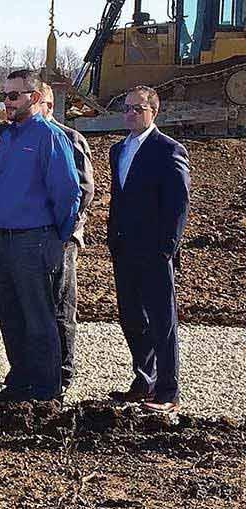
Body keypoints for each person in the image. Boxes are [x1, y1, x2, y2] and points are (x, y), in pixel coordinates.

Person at [0, 70, 80, 402]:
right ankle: (20, 383)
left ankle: (46, 393)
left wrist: (57, 237)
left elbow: (69, 193)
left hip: (36, 240)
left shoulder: (49, 136)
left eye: (14, 96)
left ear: (36, 98)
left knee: (39, 318)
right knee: (11, 316)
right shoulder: (9, 137)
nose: (7, 102)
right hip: (5, 240)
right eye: (5, 95)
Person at [107, 85, 190, 413]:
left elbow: (178, 204)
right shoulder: (118, 150)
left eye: (137, 109)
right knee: (131, 318)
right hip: (124, 249)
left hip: (155, 252)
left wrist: (167, 248)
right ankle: (144, 380)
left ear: (153, 112)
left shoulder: (167, 150)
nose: (130, 114)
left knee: (161, 320)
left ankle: (168, 391)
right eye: (126, 108)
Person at [39, 82, 96, 392]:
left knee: (61, 305)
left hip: (61, 237)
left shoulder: (69, 137)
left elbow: (84, 190)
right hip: (34, 237)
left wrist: (63, 231)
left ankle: (64, 372)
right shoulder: (26, 137)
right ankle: (40, 369)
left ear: (47, 105)